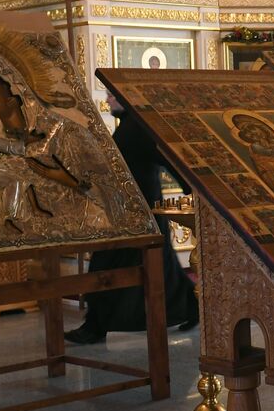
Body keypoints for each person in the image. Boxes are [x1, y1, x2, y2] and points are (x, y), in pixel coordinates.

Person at [65, 94, 198, 345]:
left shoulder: (138, 127)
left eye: (112, 96)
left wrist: (190, 186)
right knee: (161, 265)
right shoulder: (129, 125)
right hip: (128, 212)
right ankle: (192, 307)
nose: (108, 100)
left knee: (108, 265)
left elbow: (168, 157)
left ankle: (95, 326)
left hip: (141, 212)